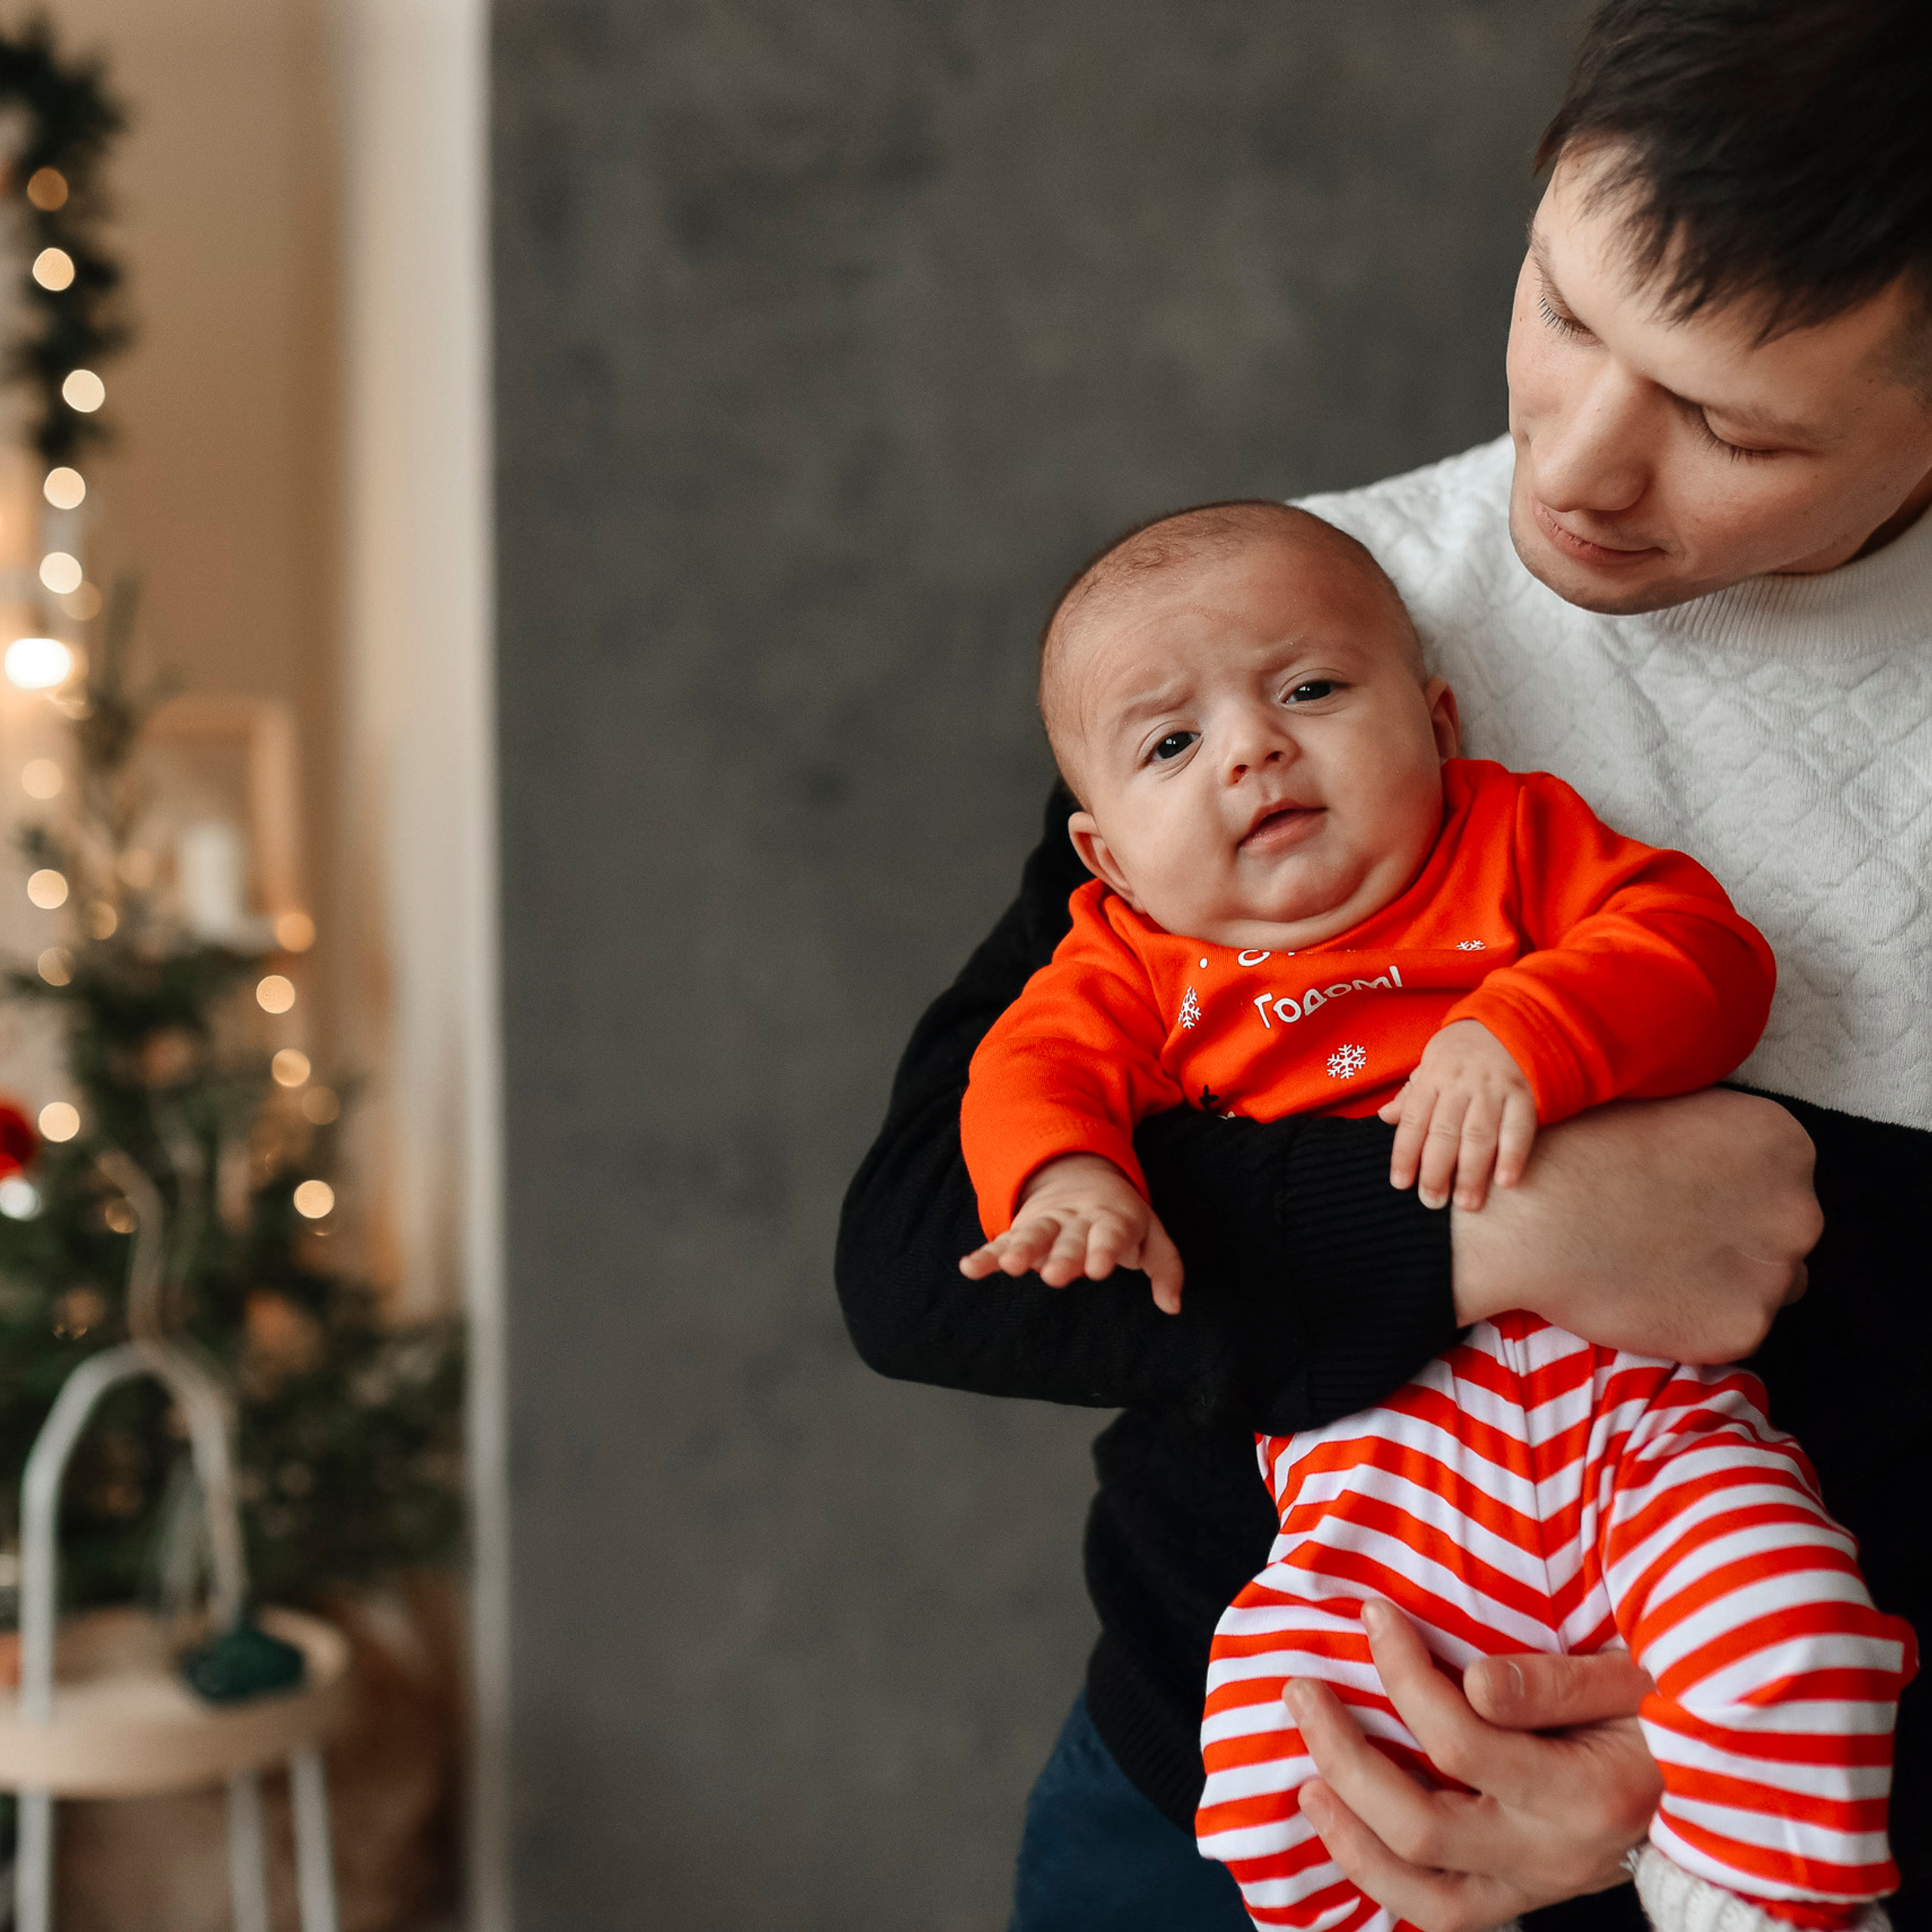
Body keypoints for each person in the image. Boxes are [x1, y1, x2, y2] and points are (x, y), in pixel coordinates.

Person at [834, 2, 1932, 1926]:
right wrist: (1484, 1232)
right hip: (1235, 1728)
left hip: (1796, 1765)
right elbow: (927, 1247)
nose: (1575, 470)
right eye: (1565, 312)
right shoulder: (1287, 626)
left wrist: (1671, 1762)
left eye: (1728, 423)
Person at [954, 499, 1910, 1932]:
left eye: (1311, 690)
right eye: (1172, 744)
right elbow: (1024, 1075)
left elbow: (1700, 954)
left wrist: (1529, 1028)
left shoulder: (1514, 843)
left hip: (1641, 1429)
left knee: (1796, 1629)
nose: (1253, 749)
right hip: (1367, 1502)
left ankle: (1754, 1905)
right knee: (1274, 1770)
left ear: (1440, 721)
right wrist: (1067, 1178)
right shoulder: (1135, 966)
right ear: (1106, 859)